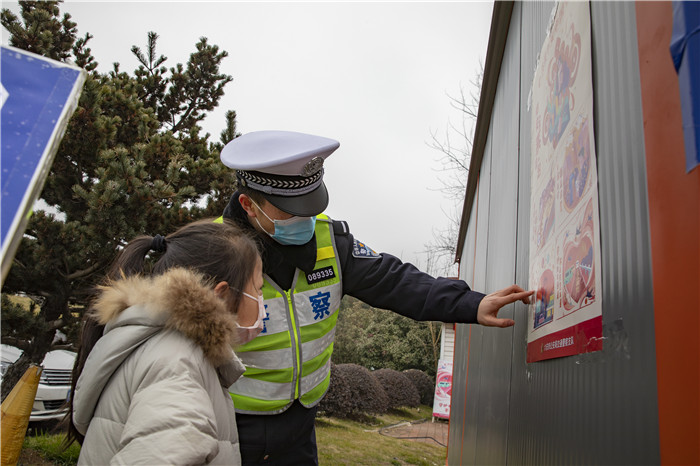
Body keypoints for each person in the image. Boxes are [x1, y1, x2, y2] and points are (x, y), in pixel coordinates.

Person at [218, 130, 534, 464]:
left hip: (300, 428)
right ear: (249, 205)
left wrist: (471, 303)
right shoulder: (212, 255)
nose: (306, 220)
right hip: (235, 429)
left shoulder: (332, 241)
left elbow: (394, 281)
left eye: (310, 207)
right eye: (290, 210)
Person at [65, 219, 263, 465]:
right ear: (221, 295)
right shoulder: (177, 365)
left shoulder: (156, 342)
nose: (261, 300)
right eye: (257, 288)